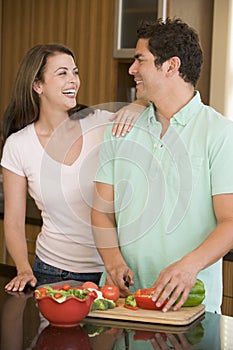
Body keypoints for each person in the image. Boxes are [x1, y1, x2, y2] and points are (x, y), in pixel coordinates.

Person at [91, 18, 233, 314]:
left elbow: (230, 221)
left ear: (171, 66)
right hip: (124, 302)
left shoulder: (220, 133)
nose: (132, 69)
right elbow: (102, 212)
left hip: (191, 306)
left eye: (140, 60)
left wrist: (188, 267)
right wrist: (113, 262)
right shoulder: (120, 129)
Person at [1, 43, 146, 292]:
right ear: (38, 85)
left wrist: (138, 105)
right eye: (62, 73)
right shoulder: (19, 145)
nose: (73, 80)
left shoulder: (100, 122)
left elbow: (150, 109)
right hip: (51, 272)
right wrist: (24, 268)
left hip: (109, 271)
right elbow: (14, 221)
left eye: (75, 72)